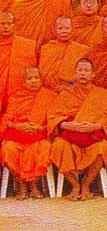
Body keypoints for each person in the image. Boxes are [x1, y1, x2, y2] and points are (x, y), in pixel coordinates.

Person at [48, 58, 107, 200]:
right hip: (70, 136)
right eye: (80, 70)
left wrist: (95, 126)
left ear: (93, 75)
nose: (83, 73)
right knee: (58, 146)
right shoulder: (66, 94)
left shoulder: (102, 95)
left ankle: (86, 184)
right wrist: (67, 125)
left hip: (92, 136)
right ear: (75, 74)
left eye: (86, 70)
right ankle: (74, 185)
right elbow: (53, 116)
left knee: (102, 148)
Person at [0, 66, 56, 199]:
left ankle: (33, 185)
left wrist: (41, 127)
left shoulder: (49, 96)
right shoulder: (16, 96)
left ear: (41, 80)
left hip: (39, 135)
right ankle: (22, 185)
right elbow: (7, 119)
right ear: (24, 82)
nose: (33, 81)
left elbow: (54, 119)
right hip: (17, 134)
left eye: (36, 78)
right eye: (29, 78)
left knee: (44, 148)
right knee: (8, 149)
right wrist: (18, 126)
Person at [39, 16, 89, 93]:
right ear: (55, 31)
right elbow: (42, 74)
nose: (64, 31)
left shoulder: (81, 50)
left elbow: (84, 76)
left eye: (67, 28)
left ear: (72, 30)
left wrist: (67, 87)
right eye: (60, 28)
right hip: (47, 90)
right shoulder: (46, 49)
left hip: (71, 91)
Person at [0, 11, 36, 109]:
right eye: (2, 24)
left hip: (17, 93)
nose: (6, 27)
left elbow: (31, 72)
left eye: (9, 24)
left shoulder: (26, 45)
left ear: (14, 26)